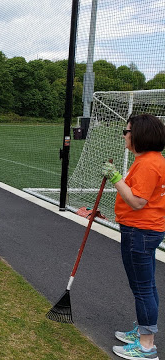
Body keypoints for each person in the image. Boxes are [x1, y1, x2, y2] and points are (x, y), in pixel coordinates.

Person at [103, 114, 165, 359]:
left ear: (138, 135)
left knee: (143, 288)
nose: (124, 135)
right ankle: (142, 332)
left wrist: (116, 178)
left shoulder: (149, 163)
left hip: (141, 230)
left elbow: (137, 201)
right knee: (145, 285)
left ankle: (146, 346)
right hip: (142, 229)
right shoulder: (150, 160)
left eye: (126, 131)